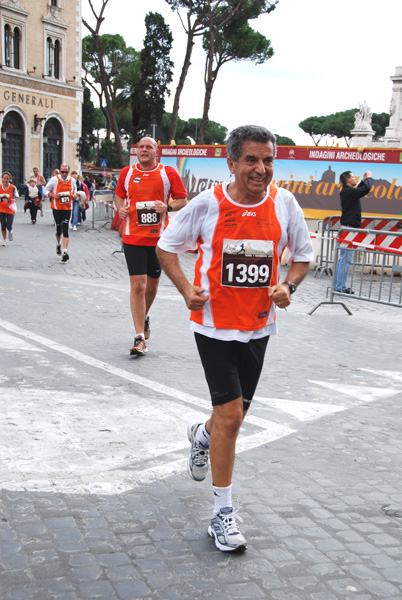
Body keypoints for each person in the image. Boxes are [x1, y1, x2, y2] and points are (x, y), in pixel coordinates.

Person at [156, 125, 314, 552]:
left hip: (259, 327)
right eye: (251, 160)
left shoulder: (285, 204)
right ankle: (222, 514)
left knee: (232, 418)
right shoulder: (208, 204)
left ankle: (202, 435)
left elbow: (302, 257)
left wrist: (289, 287)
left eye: (267, 160)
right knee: (231, 416)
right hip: (212, 326)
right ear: (232, 162)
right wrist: (187, 290)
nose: (261, 169)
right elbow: (166, 246)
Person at [114, 136, 188, 356]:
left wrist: (167, 207)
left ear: (158, 152)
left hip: (159, 240)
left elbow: (182, 200)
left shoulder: (168, 173)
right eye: (141, 147)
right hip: (133, 236)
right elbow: (119, 196)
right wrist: (121, 210)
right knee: (138, 285)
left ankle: (144, 317)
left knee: (152, 287)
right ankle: (139, 337)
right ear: (137, 151)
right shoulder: (127, 173)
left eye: (149, 147)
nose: (144, 150)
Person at [334, 170, 373, 293]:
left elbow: (359, 191)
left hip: (350, 227)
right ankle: (340, 286)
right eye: (353, 177)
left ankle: (341, 286)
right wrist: (370, 179)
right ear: (348, 180)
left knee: (345, 259)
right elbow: (364, 190)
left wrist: (363, 181)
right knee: (345, 260)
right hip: (349, 228)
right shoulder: (347, 191)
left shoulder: (348, 191)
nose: (355, 178)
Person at [43, 164, 77, 262]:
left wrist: (74, 194)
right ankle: (58, 244)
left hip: (67, 208)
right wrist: (53, 195)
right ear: (60, 172)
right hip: (57, 208)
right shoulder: (54, 180)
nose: (64, 174)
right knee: (59, 229)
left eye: (66, 172)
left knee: (66, 227)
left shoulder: (72, 181)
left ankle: (65, 251)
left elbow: (74, 190)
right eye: (62, 172)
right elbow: (45, 190)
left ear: (68, 172)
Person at [0, 171, 18, 246]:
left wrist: (14, 200)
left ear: (9, 179)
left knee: (9, 225)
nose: (6, 180)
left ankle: (10, 231)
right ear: (2, 178)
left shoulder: (13, 188)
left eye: (7, 178)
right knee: (3, 224)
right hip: (1, 208)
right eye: (5, 178)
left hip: (10, 208)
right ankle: (4, 239)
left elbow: (16, 196)